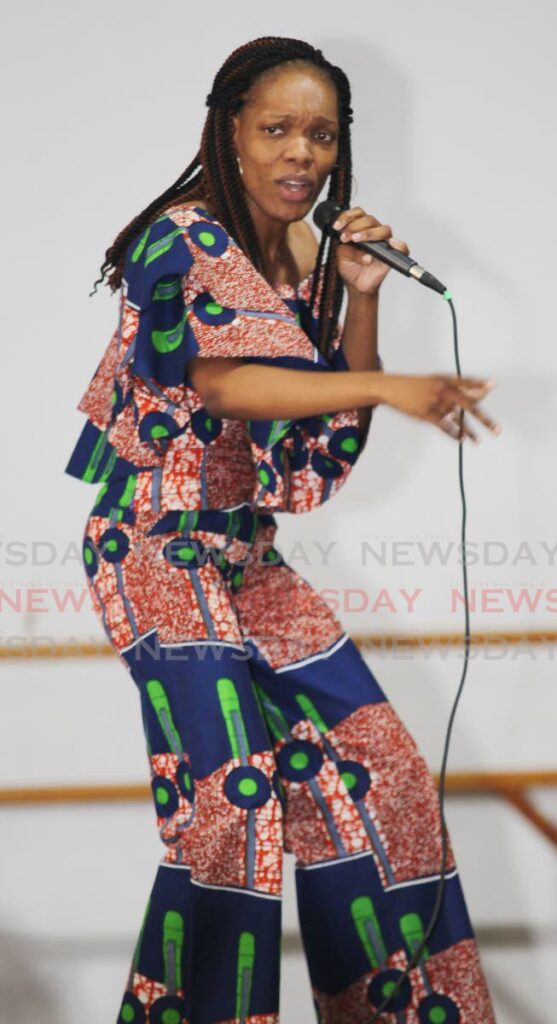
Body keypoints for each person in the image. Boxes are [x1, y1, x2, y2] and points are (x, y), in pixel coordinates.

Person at [65, 35, 499, 1024]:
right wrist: (390, 381)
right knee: (237, 805)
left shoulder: (301, 259)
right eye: (276, 129)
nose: (300, 152)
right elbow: (225, 381)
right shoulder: (182, 239)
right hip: (150, 549)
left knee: (383, 771)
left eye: (320, 134)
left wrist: (361, 296)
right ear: (229, 132)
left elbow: (312, 452)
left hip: (248, 559)